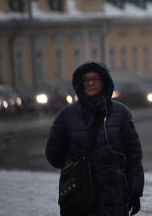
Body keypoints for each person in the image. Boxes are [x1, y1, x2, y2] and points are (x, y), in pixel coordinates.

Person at [46, 61, 144, 216]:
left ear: (104, 82)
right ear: (80, 83)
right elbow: (53, 154)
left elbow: (134, 154)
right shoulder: (66, 116)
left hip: (114, 194)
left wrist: (136, 189)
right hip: (78, 195)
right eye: (86, 80)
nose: (90, 83)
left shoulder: (120, 113)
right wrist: (75, 166)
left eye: (95, 79)